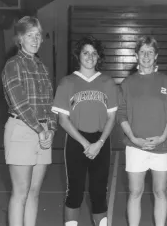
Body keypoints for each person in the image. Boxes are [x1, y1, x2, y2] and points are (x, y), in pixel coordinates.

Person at [51, 36, 118, 226]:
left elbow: (112, 117)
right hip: (76, 141)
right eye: (85, 52)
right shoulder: (67, 82)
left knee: (99, 191)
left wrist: (100, 143)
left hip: (101, 141)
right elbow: (63, 119)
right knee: (75, 191)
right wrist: (85, 144)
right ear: (78, 56)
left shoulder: (107, 82)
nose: (90, 56)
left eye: (94, 53)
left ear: (99, 57)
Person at [2, 16, 57, 226]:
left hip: (43, 132)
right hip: (22, 130)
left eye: (37, 35)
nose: (35, 39)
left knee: (34, 192)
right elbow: (19, 103)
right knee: (21, 192)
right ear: (20, 39)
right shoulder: (12, 65)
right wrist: (39, 129)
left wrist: (50, 129)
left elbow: (50, 104)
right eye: (29, 35)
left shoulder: (42, 68)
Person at [117, 36, 167, 226]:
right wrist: (134, 139)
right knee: (135, 192)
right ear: (136, 56)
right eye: (142, 52)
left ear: (156, 55)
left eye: (150, 52)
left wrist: (161, 138)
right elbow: (121, 114)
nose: (146, 56)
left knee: (161, 191)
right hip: (135, 147)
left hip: (163, 146)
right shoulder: (127, 84)